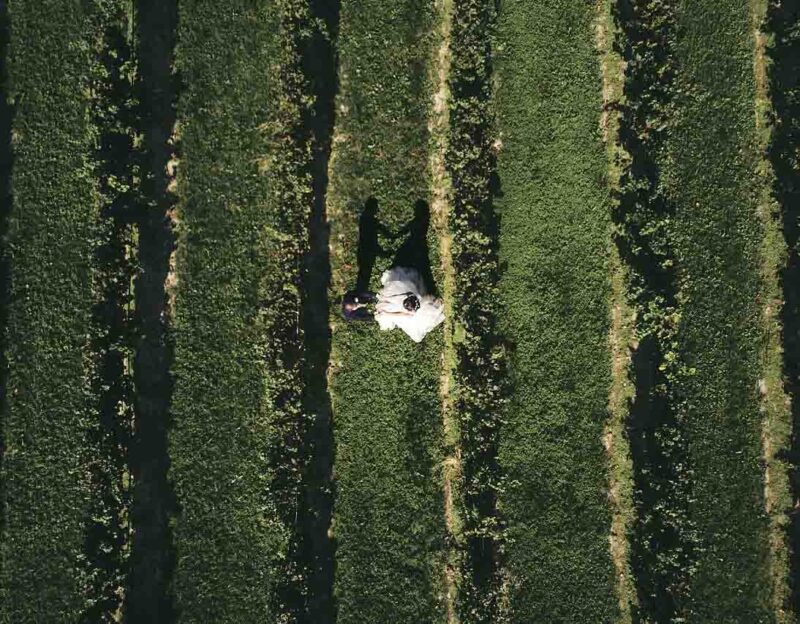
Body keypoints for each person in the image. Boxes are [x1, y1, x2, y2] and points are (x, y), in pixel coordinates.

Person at [375, 267, 444, 342]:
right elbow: (408, 314)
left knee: (416, 331)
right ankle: (422, 303)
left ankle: (427, 304)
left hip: (409, 304)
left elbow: (408, 314)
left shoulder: (393, 303)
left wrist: (387, 313)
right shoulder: (390, 304)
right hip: (408, 304)